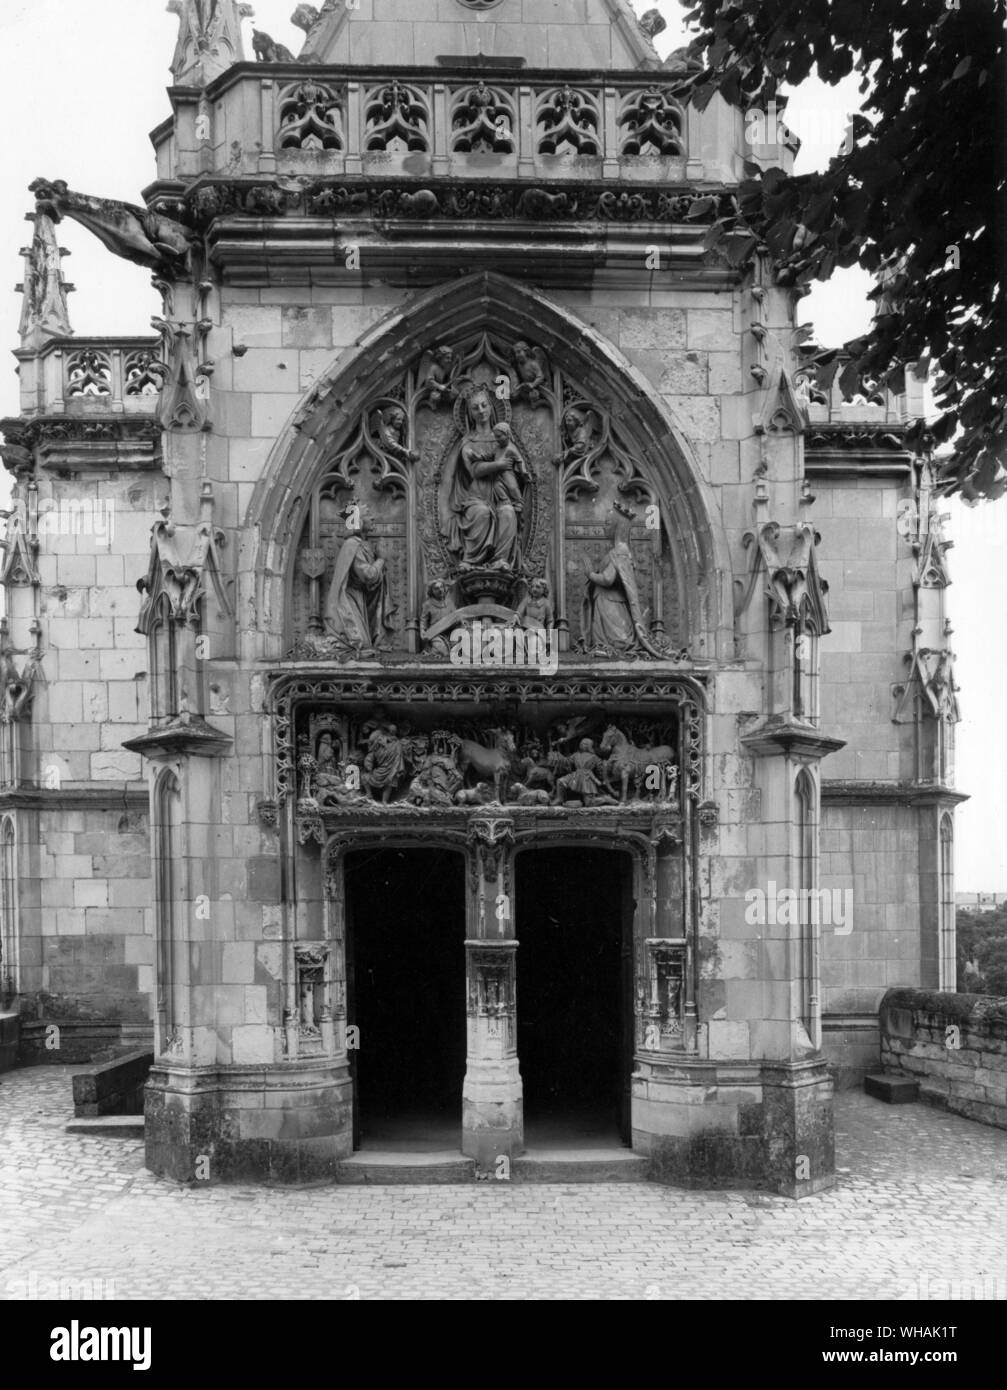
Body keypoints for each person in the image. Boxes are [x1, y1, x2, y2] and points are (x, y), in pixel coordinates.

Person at [324, 503, 395, 652]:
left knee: (365, 647)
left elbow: (371, 583)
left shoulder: (359, 544)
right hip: (349, 601)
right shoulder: (352, 544)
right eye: (368, 515)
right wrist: (381, 559)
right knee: (360, 645)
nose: (373, 517)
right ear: (359, 521)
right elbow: (368, 576)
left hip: (358, 599)